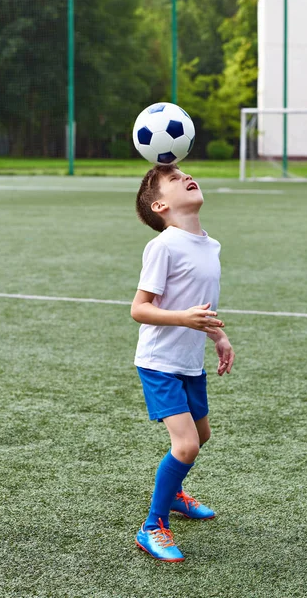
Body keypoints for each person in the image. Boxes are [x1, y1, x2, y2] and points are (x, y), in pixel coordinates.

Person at [131, 163, 235, 562]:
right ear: (160, 205)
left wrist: (218, 336)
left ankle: (173, 494)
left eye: (185, 174)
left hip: (190, 362)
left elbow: (200, 308)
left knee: (202, 436)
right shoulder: (164, 246)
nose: (185, 178)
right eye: (173, 179)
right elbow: (139, 309)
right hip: (159, 362)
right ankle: (152, 526)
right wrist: (182, 319)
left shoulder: (211, 246)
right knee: (187, 444)